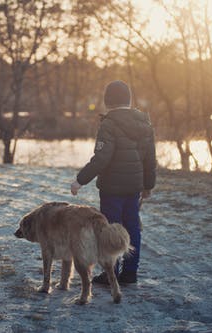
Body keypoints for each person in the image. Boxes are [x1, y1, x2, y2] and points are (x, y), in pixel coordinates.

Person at [70, 80, 156, 285]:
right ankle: (130, 273)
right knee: (132, 227)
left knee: (110, 229)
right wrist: (148, 186)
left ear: (108, 100)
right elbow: (150, 159)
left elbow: (101, 158)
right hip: (134, 187)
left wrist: (80, 180)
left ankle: (111, 274)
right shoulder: (145, 123)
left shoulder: (109, 124)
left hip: (112, 189)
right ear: (129, 99)